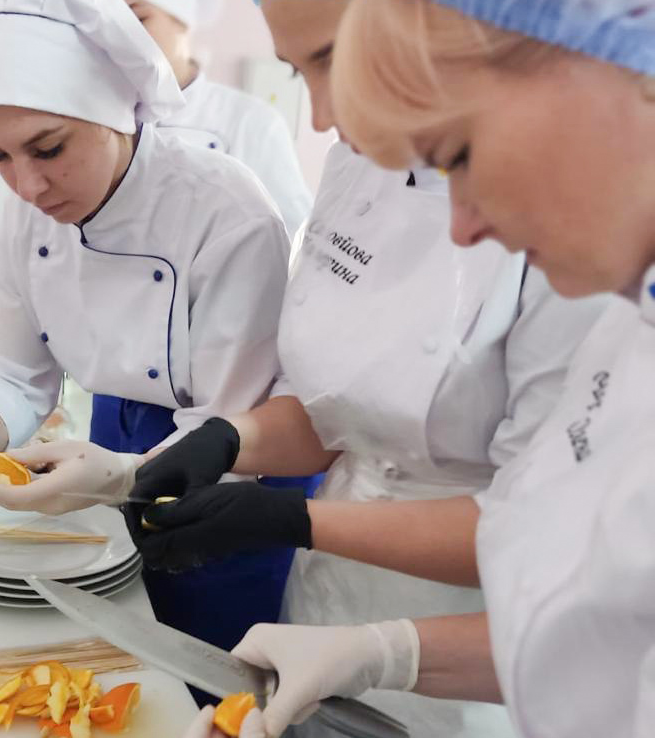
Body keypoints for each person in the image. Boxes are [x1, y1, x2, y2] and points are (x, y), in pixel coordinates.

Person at [0, 1, 608, 735]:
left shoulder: (589, 239)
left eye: (333, 59)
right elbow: (340, 407)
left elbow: (543, 534)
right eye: (299, 71)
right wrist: (210, 446)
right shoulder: (355, 166)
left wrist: (295, 519)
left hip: (475, 647)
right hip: (323, 609)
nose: (323, 116)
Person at [186, 0, 655, 736]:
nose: (464, 227)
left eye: (460, 155)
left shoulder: (594, 300)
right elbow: (576, 615)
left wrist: (298, 527)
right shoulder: (629, 330)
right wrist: (380, 654)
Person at [0, 0, 297, 698]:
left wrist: (125, 476)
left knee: (213, 690)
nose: (26, 185)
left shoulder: (228, 212)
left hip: (234, 480)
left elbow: (233, 428)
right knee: (121, 676)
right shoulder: (29, 213)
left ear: (116, 108)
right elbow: (11, 366)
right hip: (112, 434)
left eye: (49, 149)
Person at [122, 0, 313, 238]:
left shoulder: (252, 121)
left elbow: (295, 235)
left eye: (139, 20)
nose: (121, 38)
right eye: (112, 24)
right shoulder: (99, 121)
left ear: (182, 21)